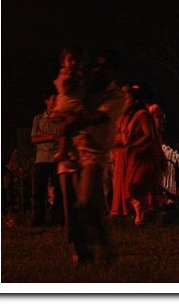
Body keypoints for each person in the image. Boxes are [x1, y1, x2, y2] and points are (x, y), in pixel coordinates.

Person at [58, 50, 125, 265]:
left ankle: (104, 246)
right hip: (72, 153)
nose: (97, 69)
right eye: (95, 65)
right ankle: (82, 254)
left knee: (86, 202)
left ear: (113, 72)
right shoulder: (86, 87)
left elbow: (98, 117)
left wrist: (71, 121)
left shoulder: (116, 96)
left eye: (103, 66)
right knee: (71, 211)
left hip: (94, 156)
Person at [121, 84, 165, 226]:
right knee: (133, 185)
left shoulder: (143, 114)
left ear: (134, 101)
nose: (123, 101)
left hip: (144, 156)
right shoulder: (131, 116)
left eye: (126, 98)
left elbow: (149, 134)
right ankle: (143, 215)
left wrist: (134, 145)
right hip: (136, 156)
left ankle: (142, 216)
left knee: (137, 185)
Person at [30, 90, 64, 226]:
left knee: (59, 191)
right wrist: (51, 137)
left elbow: (61, 137)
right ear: (46, 101)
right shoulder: (38, 118)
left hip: (56, 158)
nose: (55, 102)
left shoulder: (61, 119)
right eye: (53, 99)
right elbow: (33, 138)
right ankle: (38, 219)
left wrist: (42, 134)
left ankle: (57, 218)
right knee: (38, 190)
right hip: (42, 158)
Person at [51, 48, 88, 164]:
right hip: (63, 108)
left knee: (67, 129)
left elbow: (84, 92)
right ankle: (66, 152)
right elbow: (63, 88)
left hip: (74, 109)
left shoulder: (81, 76)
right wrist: (71, 79)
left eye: (77, 60)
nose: (74, 63)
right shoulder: (63, 74)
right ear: (63, 63)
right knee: (63, 127)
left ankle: (67, 152)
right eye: (70, 60)